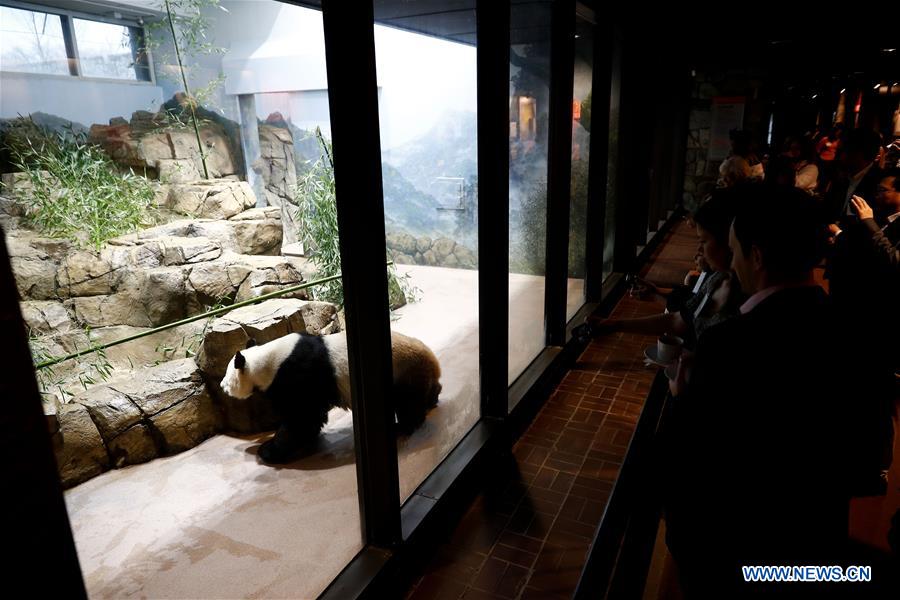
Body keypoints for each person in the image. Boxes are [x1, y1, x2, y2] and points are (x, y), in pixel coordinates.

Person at [663, 184, 885, 596]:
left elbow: (696, 463)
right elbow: (869, 457)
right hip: (813, 551)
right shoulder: (857, 334)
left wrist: (682, 398)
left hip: (736, 555)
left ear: (758, 256)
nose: (731, 260)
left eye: (735, 249)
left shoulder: (730, 345)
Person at [586, 189, 744, 350]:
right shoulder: (716, 280)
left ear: (728, 243)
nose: (699, 249)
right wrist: (615, 325)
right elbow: (680, 319)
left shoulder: (744, 302)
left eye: (703, 241)